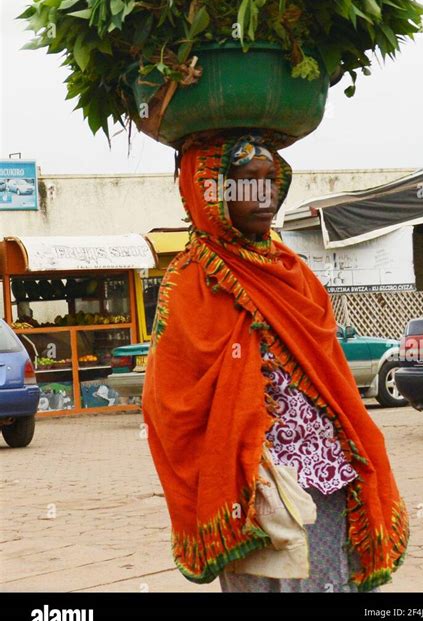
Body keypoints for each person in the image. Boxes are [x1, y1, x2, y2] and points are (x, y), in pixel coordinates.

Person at [141, 129, 409, 593]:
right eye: (246, 181)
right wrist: (237, 449)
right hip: (252, 486)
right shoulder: (191, 281)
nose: (263, 196)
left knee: (327, 585)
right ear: (210, 191)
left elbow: (332, 373)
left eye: (270, 182)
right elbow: (170, 403)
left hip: (326, 473)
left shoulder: (296, 274)